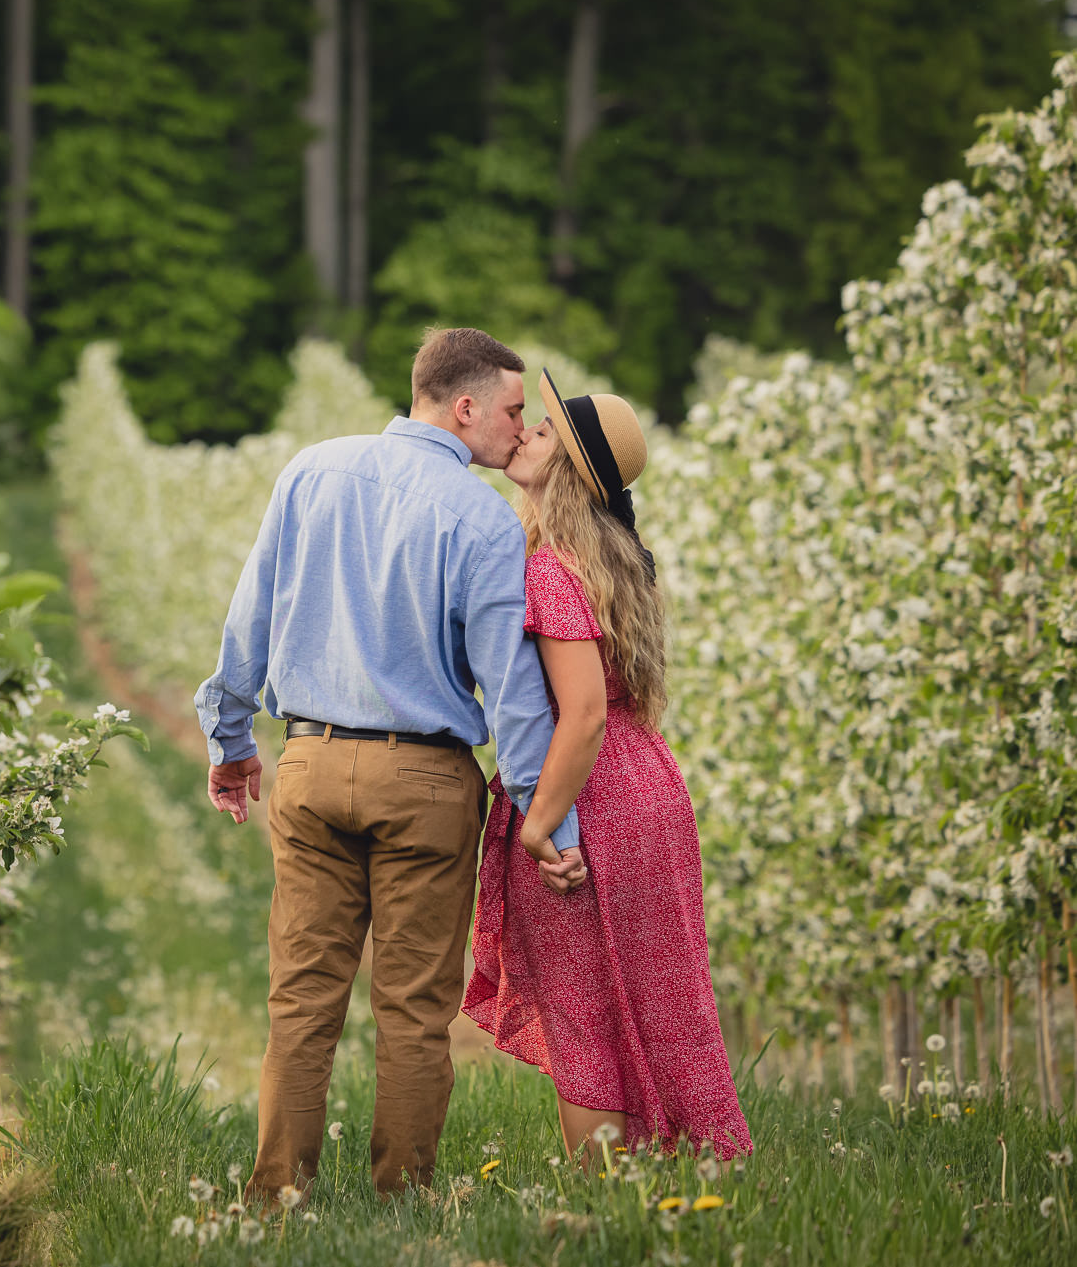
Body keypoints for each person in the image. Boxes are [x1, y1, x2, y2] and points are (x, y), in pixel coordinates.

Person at [195, 328, 587, 1202]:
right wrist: (545, 822)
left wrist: (229, 741)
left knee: (300, 1003)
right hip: (425, 781)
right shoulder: (482, 519)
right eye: (513, 411)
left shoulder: (310, 471)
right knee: (413, 1012)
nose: (519, 430)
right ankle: (398, 1203)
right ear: (465, 407)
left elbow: (247, 618)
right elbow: (513, 691)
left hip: (307, 761)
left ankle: (275, 1200)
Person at [461, 369, 752, 1161]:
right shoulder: (617, 557)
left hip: (591, 793)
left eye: (544, 431)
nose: (524, 432)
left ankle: (608, 1202)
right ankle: (689, 1170)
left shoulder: (553, 568)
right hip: (648, 784)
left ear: (571, 468)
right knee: (663, 999)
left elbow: (582, 711)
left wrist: (540, 824)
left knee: (585, 1010)